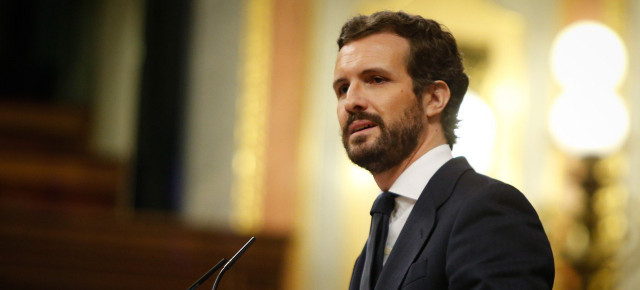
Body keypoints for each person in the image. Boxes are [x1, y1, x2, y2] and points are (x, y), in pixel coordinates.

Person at [333, 11, 555, 289]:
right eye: (342, 88)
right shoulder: (372, 245)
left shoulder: (489, 211)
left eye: (376, 79)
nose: (350, 101)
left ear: (434, 98)